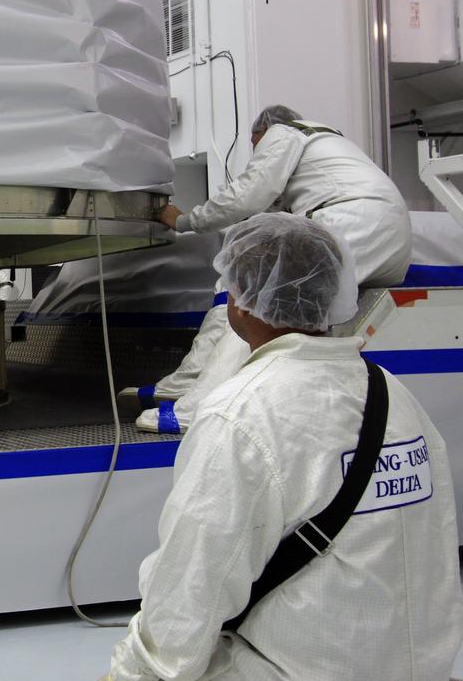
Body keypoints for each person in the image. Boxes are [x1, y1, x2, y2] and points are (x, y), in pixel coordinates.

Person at [106, 213, 462, 681]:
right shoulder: (392, 392)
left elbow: (191, 588)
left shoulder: (240, 414)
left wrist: (131, 673)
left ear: (242, 304)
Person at [125, 104, 412, 433]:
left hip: (351, 223)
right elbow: (265, 213)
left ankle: (195, 407)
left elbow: (247, 194)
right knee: (238, 284)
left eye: (254, 146)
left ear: (259, 134)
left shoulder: (285, 133)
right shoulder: (327, 147)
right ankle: (187, 380)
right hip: (389, 234)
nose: (255, 152)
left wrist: (186, 220)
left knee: (259, 305)